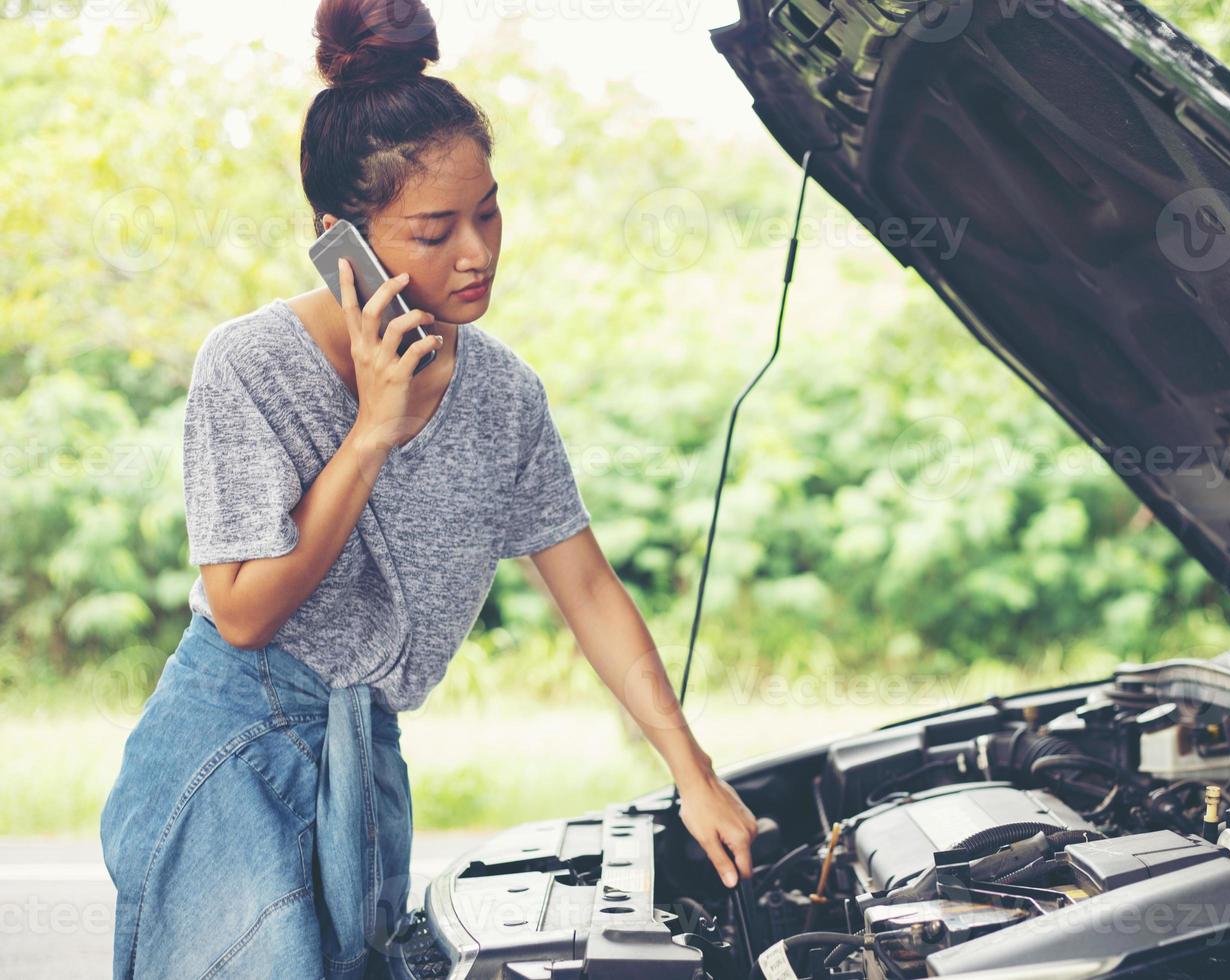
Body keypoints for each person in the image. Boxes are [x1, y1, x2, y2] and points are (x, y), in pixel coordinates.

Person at [97, 1, 757, 976]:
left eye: (488, 210)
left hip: (370, 760)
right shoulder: (247, 365)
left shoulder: (503, 391)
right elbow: (242, 613)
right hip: (235, 750)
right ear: (341, 237)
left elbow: (585, 588)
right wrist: (373, 430)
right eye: (435, 228)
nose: (478, 251)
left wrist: (691, 772)